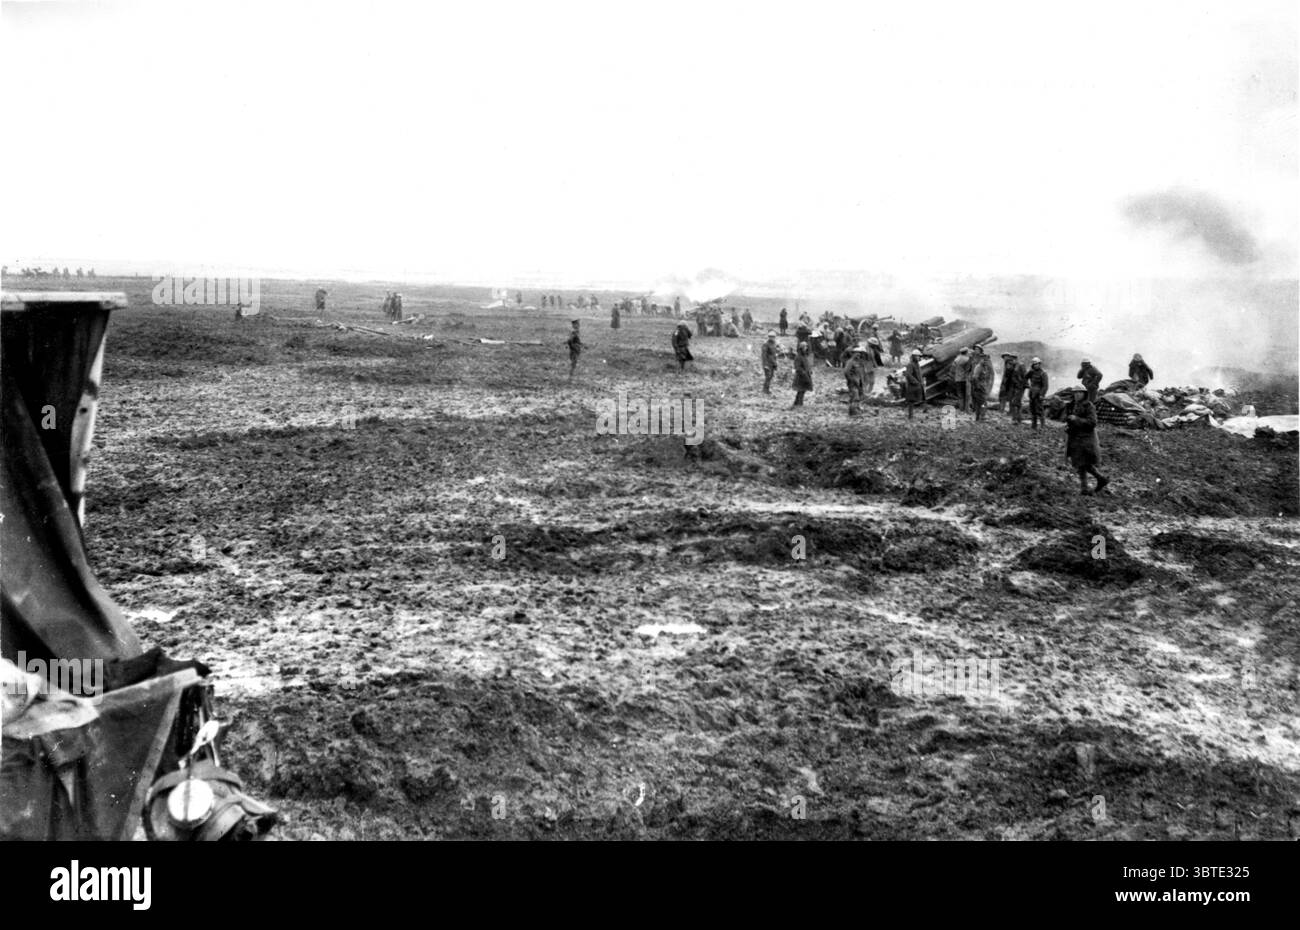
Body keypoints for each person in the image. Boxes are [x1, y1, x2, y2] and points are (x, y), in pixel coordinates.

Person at [1066, 391, 1110, 495]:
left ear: (1084, 394)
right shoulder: (1074, 405)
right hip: (1076, 438)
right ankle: (1087, 486)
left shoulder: (1089, 406)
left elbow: (1092, 422)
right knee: (1080, 463)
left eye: (1079, 393)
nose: (1077, 395)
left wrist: (1076, 419)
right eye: (1075, 393)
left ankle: (1095, 482)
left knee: (1083, 463)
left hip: (1086, 439)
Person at [970, 346, 994, 421]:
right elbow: (974, 377)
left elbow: (991, 375)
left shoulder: (985, 366)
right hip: (979, 388)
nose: (986, 361)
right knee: (982, 402)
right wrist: (978, 386)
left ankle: (980, 416)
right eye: (984, 360)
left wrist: (988, 385)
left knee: (981, 402)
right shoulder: (979, 367)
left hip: (982, 387)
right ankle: (980, 416)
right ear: (982, 360)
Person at [1002, 354, 1028, 424]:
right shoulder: (1011, 366)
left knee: (1017, 402)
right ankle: (1015, 418)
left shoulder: (1021, 365)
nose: (1012, 361)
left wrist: (1024, 385)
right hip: (1013, 386)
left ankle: (1018, 418)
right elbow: (1008, 376)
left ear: (1016, 359)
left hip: (1019, 387)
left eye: (1013, 359)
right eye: (1011, 359)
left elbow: (1025, 376)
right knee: (1013, 402)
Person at [845, 345, 868, 416]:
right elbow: (846, 372)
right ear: (853, 353)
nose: (859, 355)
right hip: (853, 382)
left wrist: (864, 381)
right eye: (857, 353)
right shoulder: (850, 362)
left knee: (860, 396)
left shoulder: (860, 362)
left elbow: (863, 372)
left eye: (861, 353)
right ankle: (853, 413)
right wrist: (851, 380)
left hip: (860, 382)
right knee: (855, 397)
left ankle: (857, 409)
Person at [1026, 357, 1049, 429]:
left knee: (1040, 410)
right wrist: (1027, 385)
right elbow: (1025, 377)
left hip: (1039, 394)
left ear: (1039, 364)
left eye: (1037, 364)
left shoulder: (1043, 373)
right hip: (1032, 393)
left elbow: (1045, 386)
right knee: (1032, 409)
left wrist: (1042, 394)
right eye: (1034, 364)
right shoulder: (1031, 372)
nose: (1035, 365)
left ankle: (1042, 426)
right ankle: (1034, 425)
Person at [904, 349, 926, 419]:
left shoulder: (917, 364)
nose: (919, 358)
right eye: (918, 356)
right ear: (914, 356)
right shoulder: (910, 365)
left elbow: (919, 374)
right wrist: (916, 382)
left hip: (917, 385)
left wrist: (921, 381)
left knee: (919, 399)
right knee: (911, 401)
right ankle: (910, 416)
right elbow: (908, 375)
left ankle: (924, 411)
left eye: (920, 357)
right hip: (912, 386)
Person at [950, 348, 972, 412]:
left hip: (957, 379)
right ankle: (966, 409)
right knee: (967, 395)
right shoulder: (967, 359)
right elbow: (969, 369)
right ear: (966, 352)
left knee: (960, 395)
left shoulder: (956, 359)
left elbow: (952, 369)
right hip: (965, 379)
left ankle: (961, 409)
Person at [792, 341, 813, 407]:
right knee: (801, 390)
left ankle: (797, 403)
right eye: (804, 347)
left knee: (802, 390)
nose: (806, 348)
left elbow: (806, 365)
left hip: (805, 375)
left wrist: (809, 371)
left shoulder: (804, 356)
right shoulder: (798, 357)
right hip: (801, 376)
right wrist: (804, 373)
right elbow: (798, 367)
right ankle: (799, 404)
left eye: (806, 347)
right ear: (801, 348)